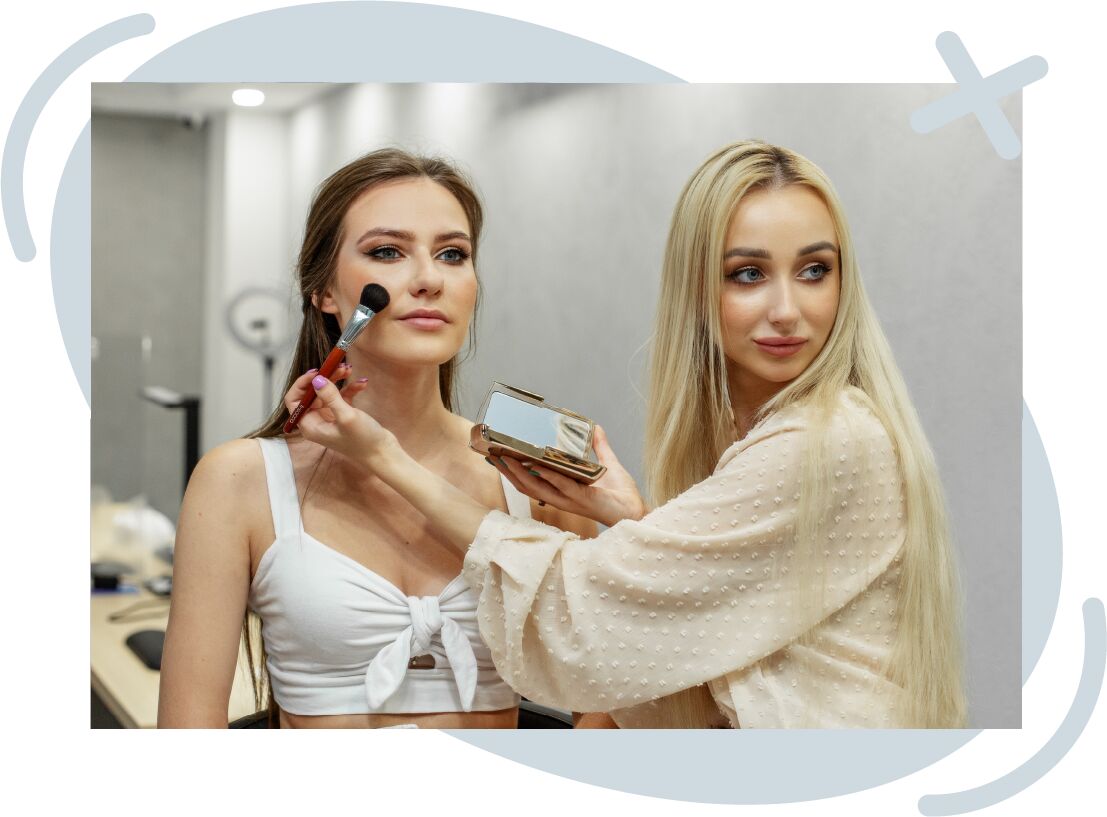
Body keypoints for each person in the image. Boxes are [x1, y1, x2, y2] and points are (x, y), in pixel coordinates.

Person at [280, 141, 967, 728]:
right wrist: (632, 519)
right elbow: (676, 647)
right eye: (748, 274)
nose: (786, 310)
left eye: (815, 270)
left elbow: (593, 630)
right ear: (325, 291)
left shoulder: (828, 442)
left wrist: (384, 459)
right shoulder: (244, 480)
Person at [157, 148, 597, 728]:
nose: (428, 279)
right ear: (324, 293)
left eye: (453, 254)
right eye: (387, 252)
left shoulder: (535, 478)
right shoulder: (238, 481)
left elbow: (608, 706)